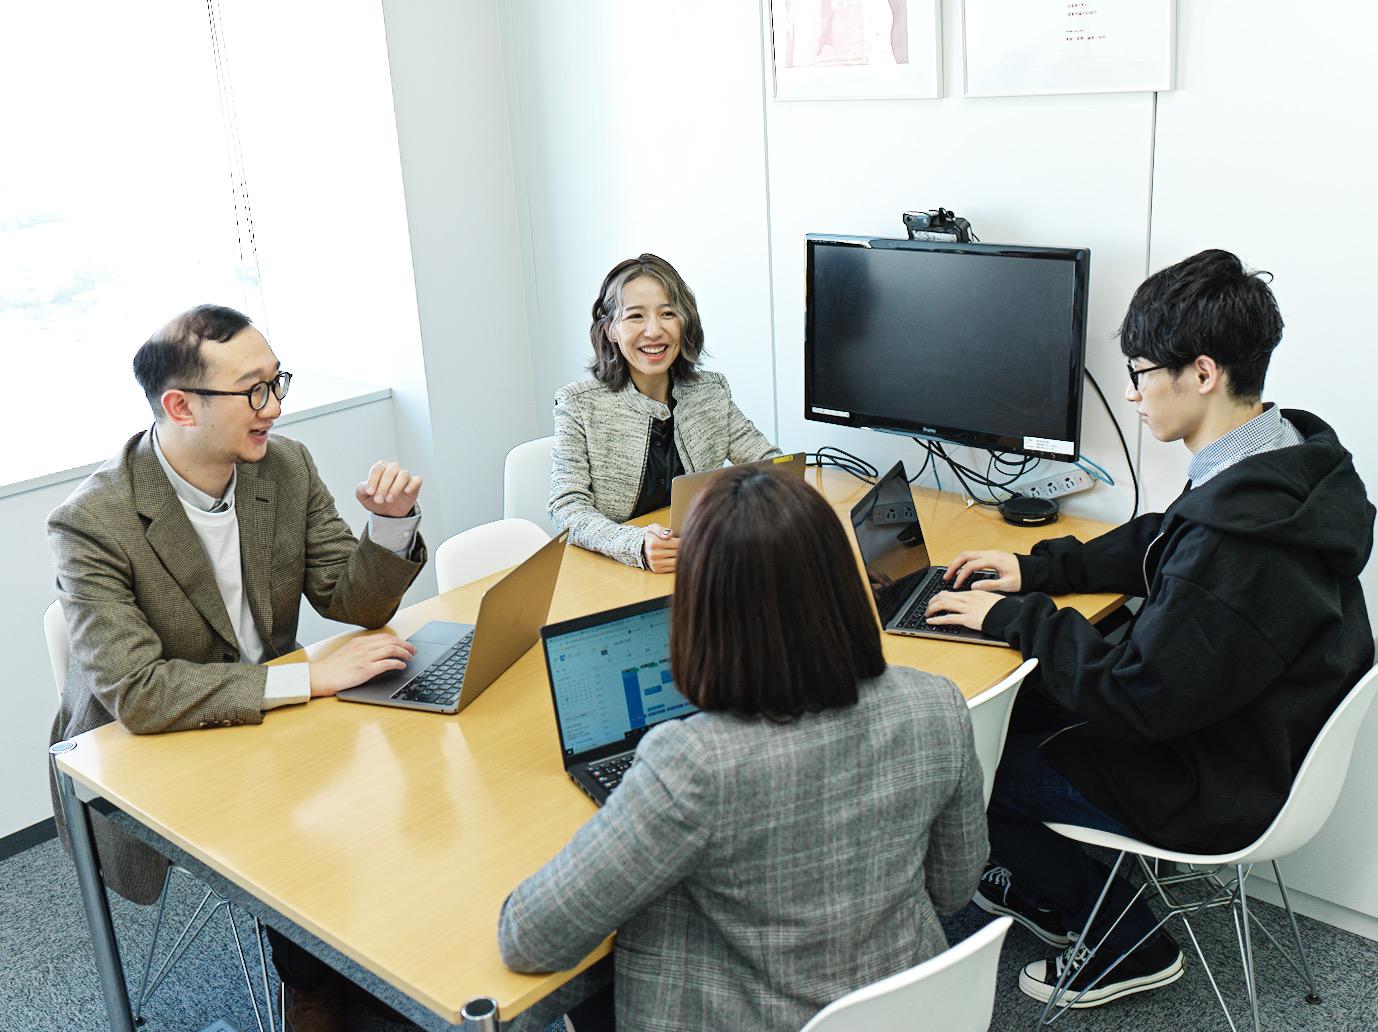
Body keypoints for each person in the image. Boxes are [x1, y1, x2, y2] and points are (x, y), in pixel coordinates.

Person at [925, 249, 1375, 1009]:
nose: (1132, 393)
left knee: (966, 764)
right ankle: (1055, 887)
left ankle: (1126, 941)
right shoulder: (1287, 461)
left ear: (1202, 374)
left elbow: (1136, 697)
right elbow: (1165, 537)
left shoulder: (1238, 543)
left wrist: (1012, 617)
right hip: (1256, 734)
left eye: (1140, 373)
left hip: (1215, 780)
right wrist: (1038, 570)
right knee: (1023, 700)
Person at [48, 305, 429, 1032]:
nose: (274, 407)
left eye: (277, 381)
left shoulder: (284, 466)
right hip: (150, 749)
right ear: (180, 407)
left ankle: (352, 959)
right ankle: (314, 984)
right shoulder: (91, 520)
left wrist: (388, 526)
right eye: (253, 390)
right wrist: (304, 679)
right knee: (299, 825)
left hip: (268, 722)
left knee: (398, 778)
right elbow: (138, 693)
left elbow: (349, 600)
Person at [501, 469, 988, 1031]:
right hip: (904, 1009)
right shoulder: (935, 702)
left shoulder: (695, 762)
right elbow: (954, 889)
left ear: (700, 607)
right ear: (841, 581)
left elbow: (527, 939)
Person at [548, 253, 779, 573]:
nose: (654, 331)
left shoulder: (710, 391)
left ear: (685, 321)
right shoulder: (578, 404)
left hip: (697, 564)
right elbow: (566, 508)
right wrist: (635, 545)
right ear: (611, 329)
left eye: (667, 313)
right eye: (635, 316)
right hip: (614, 572)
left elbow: (770, 466)